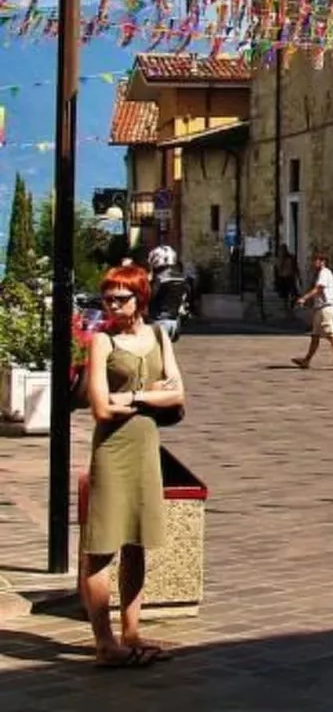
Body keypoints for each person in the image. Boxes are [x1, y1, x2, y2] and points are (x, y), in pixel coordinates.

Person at [80, 265, 186, 668]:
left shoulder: (159, 336)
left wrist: (134, 398)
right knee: (102, 545)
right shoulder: (102, 342)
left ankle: (132, 631)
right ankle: (104, 642)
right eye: (107, 297)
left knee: (136, 543)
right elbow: (102, 407)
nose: (111, 304)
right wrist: (148, 396)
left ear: (139, 298)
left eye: (120, 298)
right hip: (112, 449)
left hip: (145, 445)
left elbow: (178, 394)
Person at [293, 251, 333, 371]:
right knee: (315, 336)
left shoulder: (325, 273)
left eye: (316, 260)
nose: (314, 263)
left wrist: (304, 298)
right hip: (320, 308)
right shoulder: (321, 274)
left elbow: (318, 288)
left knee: (331, 334)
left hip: (326, 308)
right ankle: (306, 360)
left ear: (323, 261)